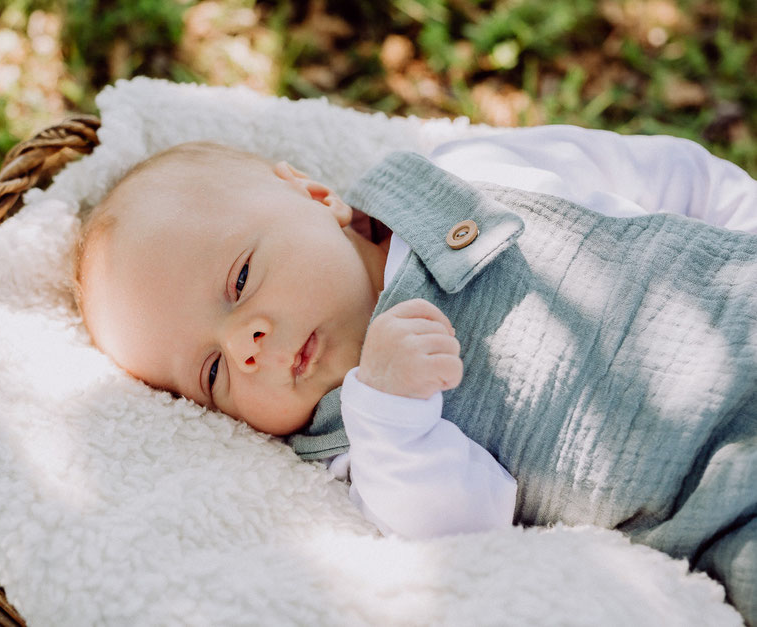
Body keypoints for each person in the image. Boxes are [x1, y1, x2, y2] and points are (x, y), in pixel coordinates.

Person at [74, 126, 757, 623]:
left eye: (242, 278)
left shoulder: (469, 174)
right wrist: (393, 417)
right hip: (721, 510)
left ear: (315, 195)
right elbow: (469, 531)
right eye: (215, 370)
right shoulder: (358, 446)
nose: (246, 342)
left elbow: (664, 175)